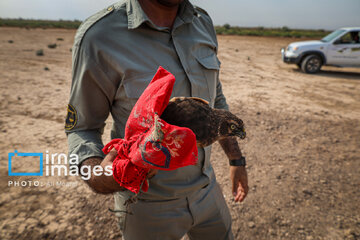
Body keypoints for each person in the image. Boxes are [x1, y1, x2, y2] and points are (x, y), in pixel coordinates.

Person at [65, 0, 249, 239]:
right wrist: (99, 177)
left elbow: (217, 101)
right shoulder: (100, 36)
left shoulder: (202, 23)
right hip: (146, 204)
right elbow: (82, 128)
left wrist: (236, 160)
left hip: (207, 190)